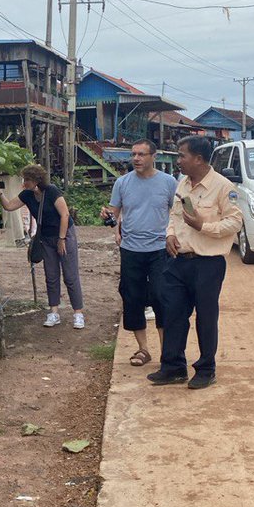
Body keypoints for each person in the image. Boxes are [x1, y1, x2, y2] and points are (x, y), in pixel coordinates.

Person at [148, 135, 242, 390]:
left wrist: (204, 225)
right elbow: (174, 215)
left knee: (206, 317)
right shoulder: (183, 184)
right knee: (174, 313)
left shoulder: (224, 187)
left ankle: (206, 369)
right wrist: (169, 234)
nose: (178, 160)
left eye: (182, 155)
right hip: (178, 261)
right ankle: (173, 367)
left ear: (198, 159)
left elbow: (235, 223)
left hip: (208, 264)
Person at [107, 140, 178, 367]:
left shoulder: (168, 183)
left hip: (159, 249)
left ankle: (166, 351)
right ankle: (143, 349)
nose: (136, 158)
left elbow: (175, 213)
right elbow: (113, 213)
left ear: (153, 156)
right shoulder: (122, 183)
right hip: (131, 249)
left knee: (161, 296)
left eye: (141, 154)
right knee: (132, 297)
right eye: (133, 154)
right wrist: (109, 218)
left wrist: (172, 236)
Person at [0, 163, 85, 328]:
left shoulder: (51, 191)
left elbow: (65, 214)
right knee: (51, 276)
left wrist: (61, 239)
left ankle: (78, 313)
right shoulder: (27, 195)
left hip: (64, 234)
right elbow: (9, 206)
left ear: (36, 180)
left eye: (27, 180)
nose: (24, 183)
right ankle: (54, 312)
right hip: (45, 237)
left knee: (70, 276)